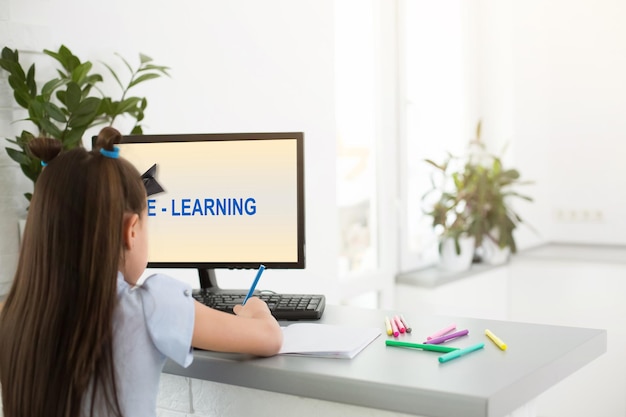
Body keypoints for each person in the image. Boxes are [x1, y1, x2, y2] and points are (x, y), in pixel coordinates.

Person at [0, 127, 283, 417]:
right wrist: (258, 310)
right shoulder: (150, 306)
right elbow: (269, 338)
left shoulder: (11, 313)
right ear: (131, 230)